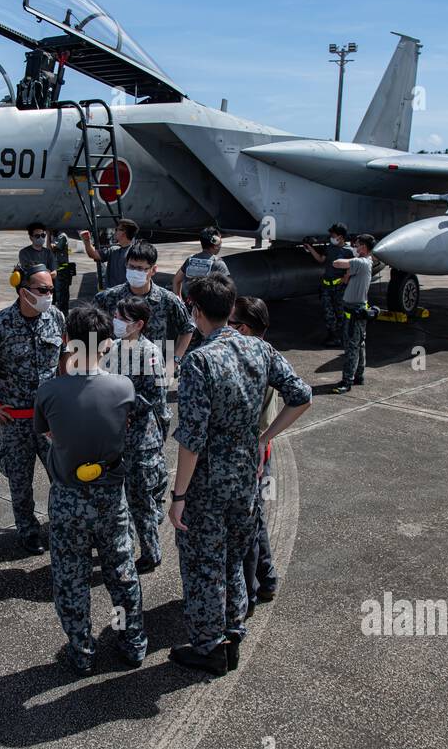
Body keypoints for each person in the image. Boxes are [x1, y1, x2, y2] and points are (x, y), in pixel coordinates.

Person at [168, 274, 312, 676]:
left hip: (209, 483)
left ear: (196, 310)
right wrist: (265, 434)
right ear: (230, 309)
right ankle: (232, 631)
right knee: (234, 555)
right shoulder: (257, 348)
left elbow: (192, 438)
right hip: (246, 474)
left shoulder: (199, 360)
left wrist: (179, 496)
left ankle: (209, 646)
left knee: (202, 565)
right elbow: (302, 395)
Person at [34, 305, 147, 675]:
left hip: (68, 497)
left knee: (71, 578)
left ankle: (82, 650)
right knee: (121, 574)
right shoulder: (123, 387)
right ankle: (131, 642)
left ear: (67, 342)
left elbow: (47, 434)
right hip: (110, 498)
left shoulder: (49, 391)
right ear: (108, 346)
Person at [0, 264, 66, 555]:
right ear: (23, 291)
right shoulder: (0, 324)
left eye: (51, 290)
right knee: (20, 484)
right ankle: (28, 532)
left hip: (50, 421)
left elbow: (66, 356)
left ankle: (62, 527)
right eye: (43, 290)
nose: (49, 296)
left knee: (63, 477)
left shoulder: (56, 317)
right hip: (14, 422)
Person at [106, 296, 170, 574]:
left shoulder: (150, 353)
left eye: (122, 319)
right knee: (119, 499)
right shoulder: (114, 348)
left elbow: (154, 397)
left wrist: (122, 406)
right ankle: (125, 543)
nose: (116, 322)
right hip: (115, 437)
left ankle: (151, 552)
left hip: (141, 441)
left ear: (139, 324)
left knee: (141, 501)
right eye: (116, 316)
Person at [229, 296, 280, 613]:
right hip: (262, 447)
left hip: (252, 452)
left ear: (244, 328)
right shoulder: (269, 353)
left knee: (246, 524)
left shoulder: (251, 361)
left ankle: (246, 596)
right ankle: (267, 579)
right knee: (256, 517)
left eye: (232, 323)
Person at [92, 239, 194, 369]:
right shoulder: (108, 298)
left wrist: (175, 360)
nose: (134, 272)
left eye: (140, 268)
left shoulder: (168, 300)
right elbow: (91, 330)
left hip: (153, 372)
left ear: (153, 270)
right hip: (117, 372)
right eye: (131, 267)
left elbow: (187, 328)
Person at [331, 233, 376, 394]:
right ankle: (359, 376)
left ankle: (346, 381)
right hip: (359, 310)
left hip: (354, 312)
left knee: (351, 347)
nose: (355, 248)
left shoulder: (361, 262)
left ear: (364, 247)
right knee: (360, 345)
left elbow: (336, 263)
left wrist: (348, 254)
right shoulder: (365, 263)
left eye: (357, 245)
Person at [302, 223, 354, 346]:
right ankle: (333, 336)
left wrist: (347, 276)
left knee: (341, 313)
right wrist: (310, 248)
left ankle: (343, 337)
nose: (331, 237)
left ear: (341, 237)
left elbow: (353, 266)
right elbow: (321, 259)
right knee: (328, 313)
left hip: (339, 287)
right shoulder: (330, 248)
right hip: (327, 286)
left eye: (333, 235)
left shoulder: (348, 251)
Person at [82, 217, 139, 291]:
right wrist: (87, 241)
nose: (115, 231)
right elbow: (93, 254)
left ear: (124, 233)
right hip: (111, 295)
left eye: (117, 229)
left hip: (125, 296)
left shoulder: (135, 254)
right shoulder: (113, 250)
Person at [172, 226, 231, 298]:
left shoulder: (190, 260)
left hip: (191, 306)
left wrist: (179, 301)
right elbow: (228, 290)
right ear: (215, 244)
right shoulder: (218, 263)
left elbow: (176, 280)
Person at [50, 229, 75, 311]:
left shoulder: (62, 236)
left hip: (63, 271)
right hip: (58, 269)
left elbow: (54, 248)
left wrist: (48, 238)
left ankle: (63, 313)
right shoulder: (54, 236)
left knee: (62, 295)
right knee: (56, 294)